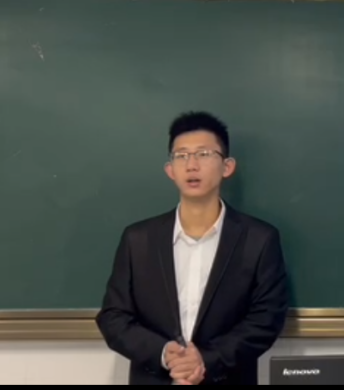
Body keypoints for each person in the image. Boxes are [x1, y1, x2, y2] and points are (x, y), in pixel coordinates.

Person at [96, 111, 290, 385]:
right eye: (181, 155)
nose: (191, 165)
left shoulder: (259, 239)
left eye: (203, 154)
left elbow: (265, 320)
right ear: (170, 170)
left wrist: (206, 360)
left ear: (227, 166)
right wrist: (165, 354)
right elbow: (113, 317)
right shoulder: (138, 239)